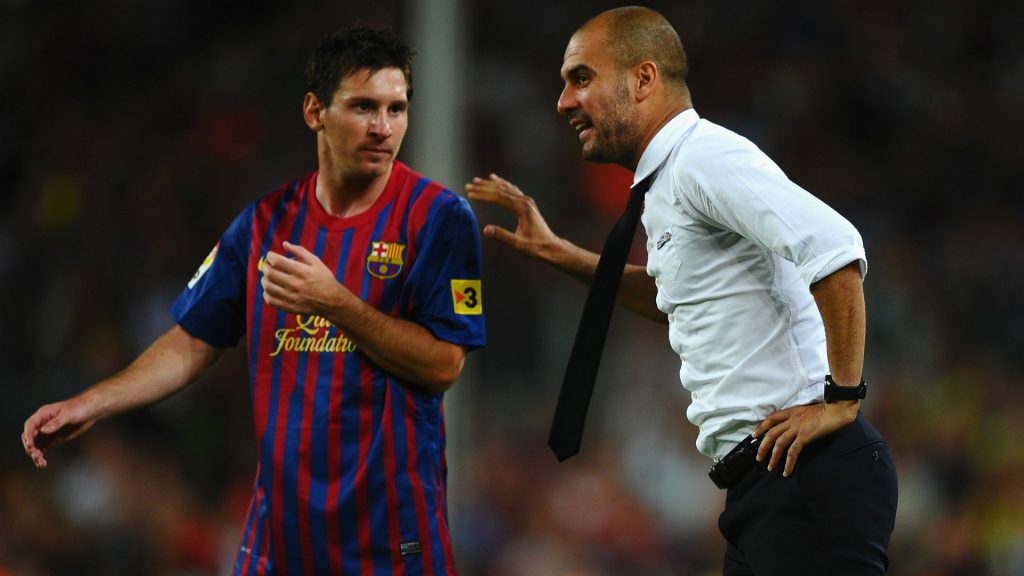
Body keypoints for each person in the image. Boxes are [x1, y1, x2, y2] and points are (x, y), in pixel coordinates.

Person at [22, 27, 485, 576]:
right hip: (277, 544)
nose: (383, 127)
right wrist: (93, 403)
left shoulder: (439, 218)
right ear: (315, 111)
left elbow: (444, 364)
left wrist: (335, 304)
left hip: (391, 543)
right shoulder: (265, 223)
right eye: (363, 107)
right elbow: (194, 341)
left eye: (396, 109)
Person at [466, 6, 896, 575]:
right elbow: (672, 296)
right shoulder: (669, 178)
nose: (565, 101)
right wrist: (560, 254)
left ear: (643, 78)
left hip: (807, 472)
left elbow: (836, 248)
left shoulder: (703, 158)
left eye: (582, 78)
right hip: (767, 482)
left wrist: (842, 398)